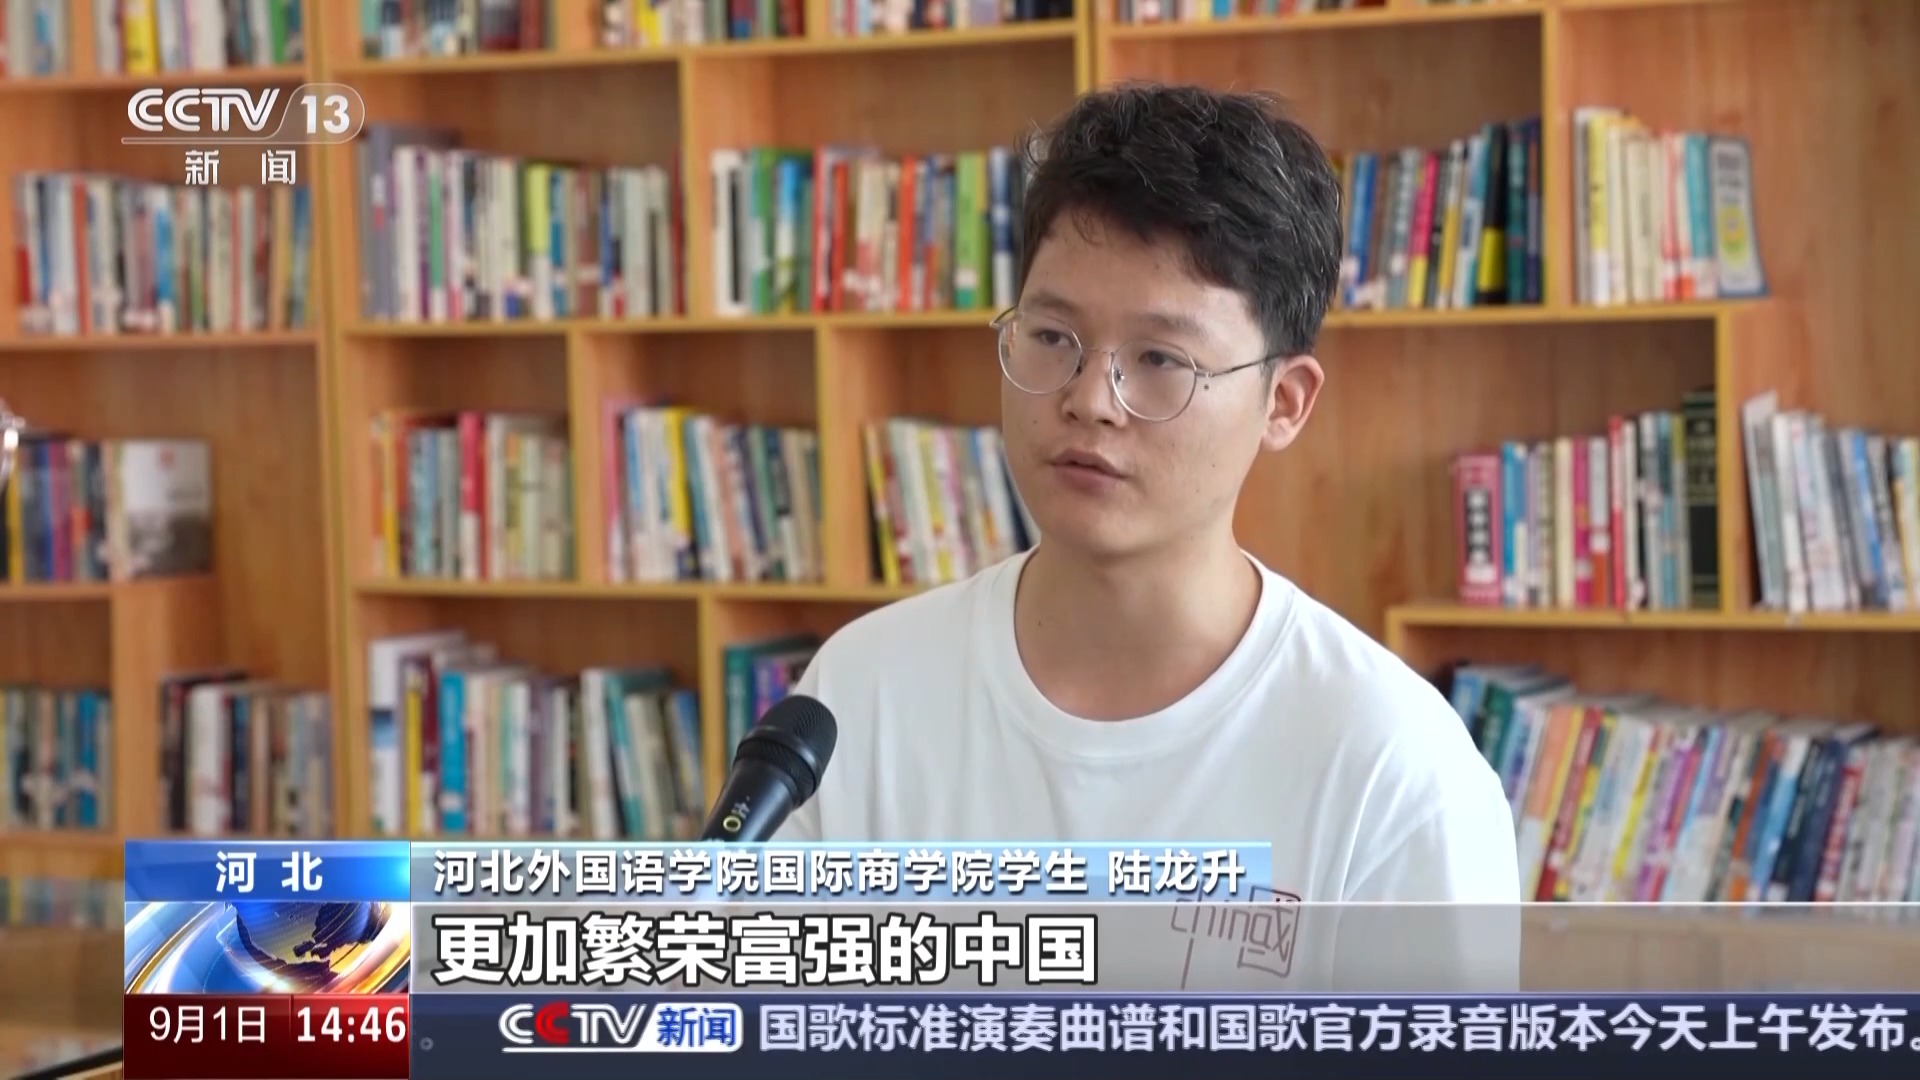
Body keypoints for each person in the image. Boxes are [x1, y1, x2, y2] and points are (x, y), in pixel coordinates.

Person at [777, 84, 1520, 989]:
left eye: (1162, 358)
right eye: (1053, 336)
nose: (1089, 398)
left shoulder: (1392, 771)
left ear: (1284, 403)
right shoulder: (859, 696)